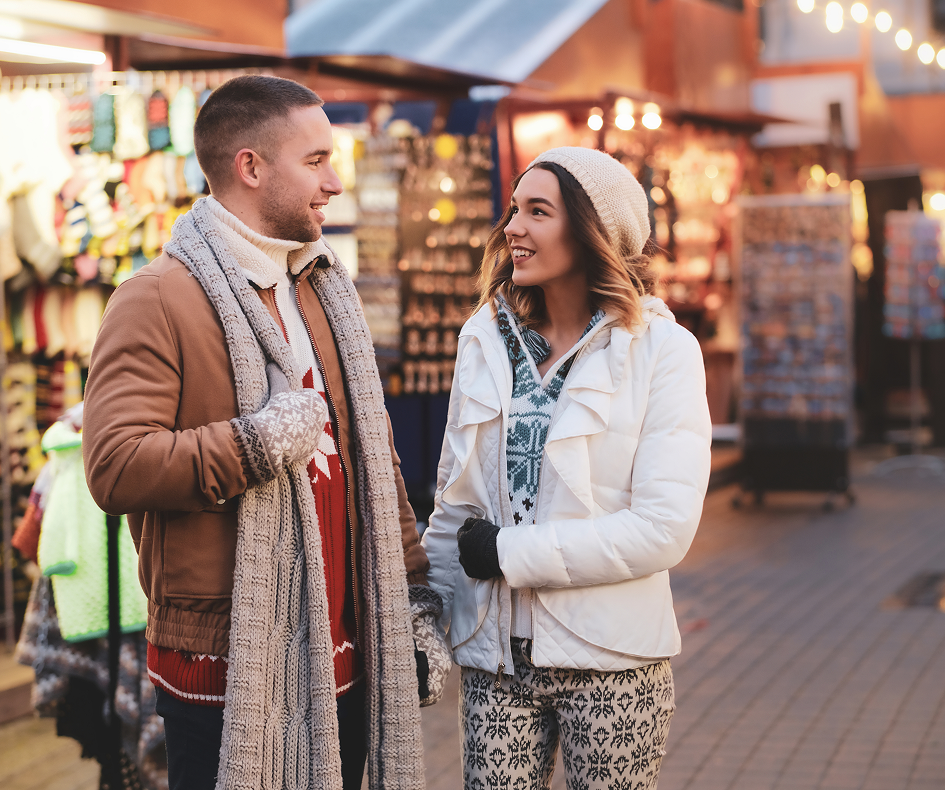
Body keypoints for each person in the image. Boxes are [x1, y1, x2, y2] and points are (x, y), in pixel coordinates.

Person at [83, 75, 438, 790]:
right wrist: (255, 444)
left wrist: (412, 600)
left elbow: (375, 463)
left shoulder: (318, 286)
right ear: (250, 167)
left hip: (348, 651)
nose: (334, 182)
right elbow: (115, 467)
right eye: (314, 161)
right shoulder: (155, 297)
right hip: (226, 662)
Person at [421, 147, 712, 790]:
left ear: (592, 231)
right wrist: (426, 614)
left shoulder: (663, 351)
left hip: (613, 662)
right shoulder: (484, 338)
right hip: (495, 660)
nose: (513, 229)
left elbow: (663, 528)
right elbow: (457, 501)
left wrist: (509, 553)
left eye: (538, 212)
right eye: (513, 211)